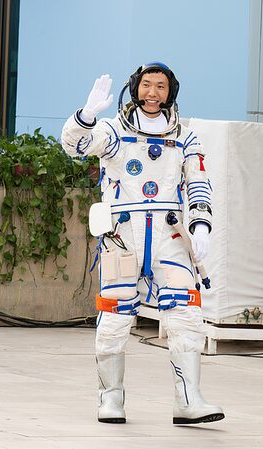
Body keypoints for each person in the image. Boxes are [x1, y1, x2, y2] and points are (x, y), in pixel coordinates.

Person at [61, 62, 224, 425]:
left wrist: (200, 225)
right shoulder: (114, 130)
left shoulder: (185, 136)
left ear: (171, 92)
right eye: (147, 85)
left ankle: (188, 399)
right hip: (122, 235)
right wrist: (86, 115)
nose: (153, 93)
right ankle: (111, 398)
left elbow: (199, 182)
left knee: (186, 313)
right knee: (115, 315)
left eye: (161, 86)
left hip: (169, 234)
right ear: (135, 88)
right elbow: (74, 147)